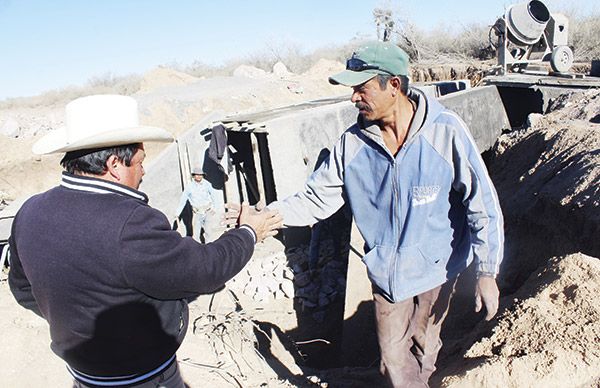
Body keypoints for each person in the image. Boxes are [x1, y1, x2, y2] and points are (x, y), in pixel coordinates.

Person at [267, 41, 504, 387]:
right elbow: (315, 199)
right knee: (394, 359)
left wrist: (487, 271)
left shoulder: (444, 131)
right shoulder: (352, 145)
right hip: (387, 277)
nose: (353, 98)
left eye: (361, 89)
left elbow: (482, 202)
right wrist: (268, 216)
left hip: (437, 272)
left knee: (425, 352)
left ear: (393, 85)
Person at [8, 94, 282, 387]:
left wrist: (78, 323)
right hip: (143, 378)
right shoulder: (130, 223)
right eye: (140, 161)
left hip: (85, 376)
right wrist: (249, 232)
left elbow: (23, 289)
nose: (143, 170)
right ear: (115, 165)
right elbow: (205, 270)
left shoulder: (30, 211)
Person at [175, 167, 217, 242]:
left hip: (207, 211)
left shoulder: (207, 184)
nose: (199, 176)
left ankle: (209, 249)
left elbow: (213, 196)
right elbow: (183, 201)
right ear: (194, 176)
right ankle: (197, 250)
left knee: (208, 232)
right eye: (197, 175)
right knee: (196, 234)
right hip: (197, 213)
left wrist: (214, 207)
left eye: (200, 175)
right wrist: (177, 213)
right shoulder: (189, 187)